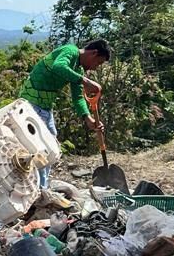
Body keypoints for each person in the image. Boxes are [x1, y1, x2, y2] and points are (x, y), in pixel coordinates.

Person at [18, 39, 111, 188]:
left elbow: (78, 98)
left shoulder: (78, 70)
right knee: (41, 149)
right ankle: (39, 189)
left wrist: (87, 117)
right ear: (93, 53)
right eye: (98, 63)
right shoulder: (70, 51)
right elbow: (58, 66)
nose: (94, 68)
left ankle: (43, 186)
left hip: (46, 108)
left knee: (51, 149)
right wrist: (85, 80)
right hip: (31, 103)